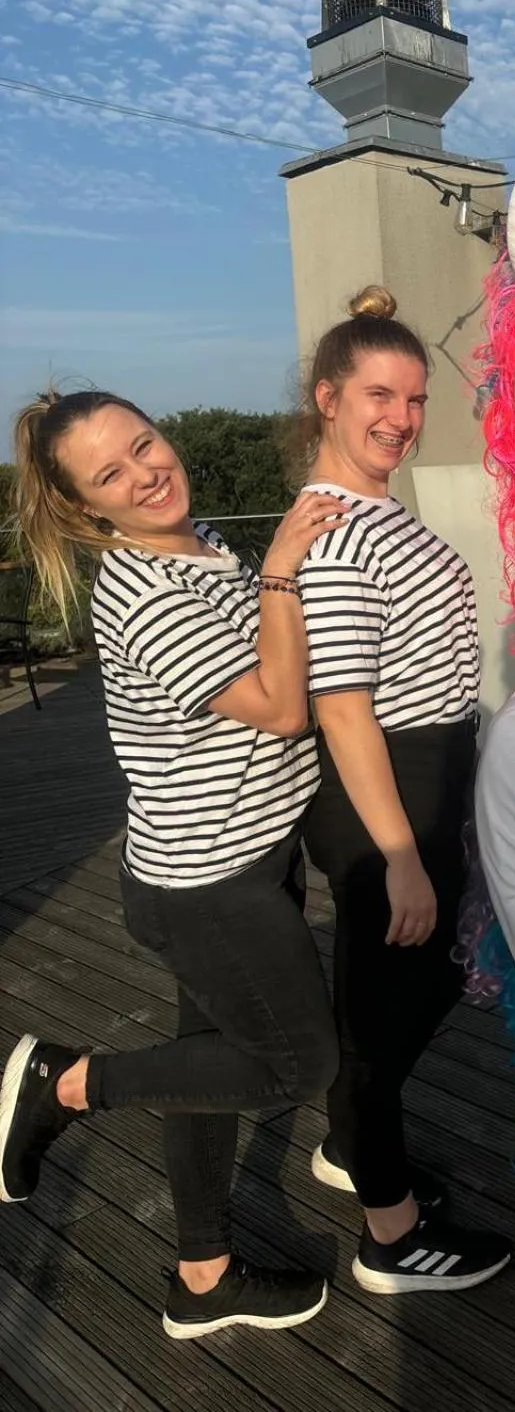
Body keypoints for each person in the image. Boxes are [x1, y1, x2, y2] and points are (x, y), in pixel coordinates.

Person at [1, 388, 347, 1338]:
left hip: (247, 857)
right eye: (111, 473)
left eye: (143, 444)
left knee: (209, 1063)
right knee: (295, 1063)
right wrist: (283, 568)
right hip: (206, 883)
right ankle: (69, 1083)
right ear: (86, 508)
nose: (146, 472)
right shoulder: (144, 590)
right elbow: (280, 705)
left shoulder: (203, 549)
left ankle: (202, 1276)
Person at [296, 286, 512, 1295]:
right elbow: (341, 706)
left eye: (417, 398)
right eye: (380, 394)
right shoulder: (334, 530)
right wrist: (397, 854)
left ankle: (351, 1145)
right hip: (384, 779)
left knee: (417, 988)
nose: (401, 417)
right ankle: (389, 1236)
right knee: (384, 1017)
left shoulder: (376, 510)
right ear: (327, 397)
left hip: (429, 766)